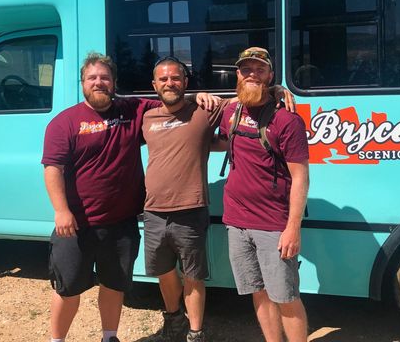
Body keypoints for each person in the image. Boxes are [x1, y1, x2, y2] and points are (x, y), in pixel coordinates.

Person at [42, 52, 216, 342]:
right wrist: (61, 210)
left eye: (105, 77)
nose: (99, 82)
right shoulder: (65, 123)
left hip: (121, 224)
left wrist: (199, 94)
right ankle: (56, 340)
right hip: (76, 225)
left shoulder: (133, 111)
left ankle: (109, 337)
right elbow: (52, 169)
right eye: (92, 78)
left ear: (114, 83)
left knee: (114, 285)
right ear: (83, 83)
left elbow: (172, 98)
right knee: (67, 288)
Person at [141, 56, 295, 342]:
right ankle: (173, 321)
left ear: (186, 82)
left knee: (193, 275)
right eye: (163, 79)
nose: (169, 83)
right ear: (154, 85)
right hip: (153, 211)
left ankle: (196, 332)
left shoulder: (203, 110)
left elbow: (245, 98)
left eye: (176, 78)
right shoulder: (147, 115)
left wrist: (273, 90)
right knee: (163, 272)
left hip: (190, 207)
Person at [216, 47, 310, 342]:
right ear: (238, 75)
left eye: (259, 70)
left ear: (270, 75)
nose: (252, 74)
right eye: (246, 70)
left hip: (273, 225)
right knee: (258, 291)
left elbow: (301, 178)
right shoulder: (231, 111)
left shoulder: (287, 121)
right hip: (236, 222)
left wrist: (292, 227)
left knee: (285, 296)